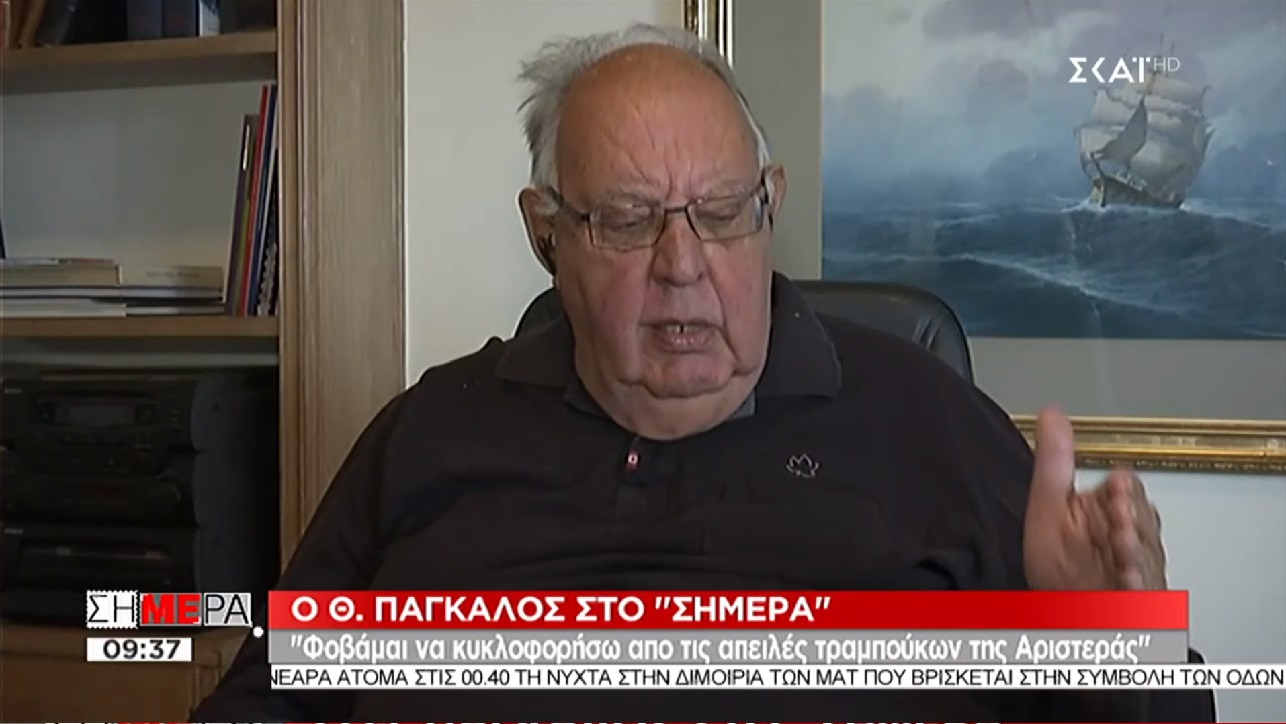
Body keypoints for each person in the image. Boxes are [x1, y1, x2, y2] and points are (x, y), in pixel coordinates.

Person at [192, 23, 1215, 721]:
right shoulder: (432, 432)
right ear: (547, 235)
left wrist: (1111, 648)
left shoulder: (927, 426)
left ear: (769, 204)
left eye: (721, 214)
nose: (682, 265)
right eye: (627, 219)